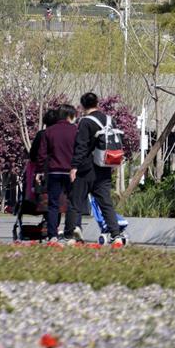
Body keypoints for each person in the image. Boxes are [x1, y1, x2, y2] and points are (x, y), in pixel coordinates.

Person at [64, 92, 124, 246]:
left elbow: (81, 146)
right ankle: (116, 235)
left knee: (75, 201)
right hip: (104, 167)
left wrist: (74, 167)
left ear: (82, 105)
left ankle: (71, 234)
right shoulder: (110, 120)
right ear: (98, 103)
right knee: (105, 203)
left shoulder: (85, 122)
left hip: (86, 168)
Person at [35, 104, 78, 243]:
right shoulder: (75, 131)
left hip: (54, 171)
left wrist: (40, 171)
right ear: (69, 116)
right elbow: (80, 151)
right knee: (72, 202)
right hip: (71, 171)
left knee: (53, 204)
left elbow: (41, 154)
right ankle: (69, 233)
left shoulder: (49, 131)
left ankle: (52, 235)